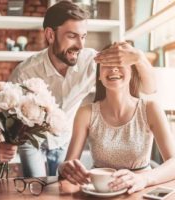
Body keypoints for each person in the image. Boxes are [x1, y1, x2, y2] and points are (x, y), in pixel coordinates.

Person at [0, 1, 156, 177]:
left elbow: (150, 89)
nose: (80, 46)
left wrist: (139, 58)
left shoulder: (91, 61)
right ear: (50, 35)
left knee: (62, 185)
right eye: (72, 36)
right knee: (36, 188)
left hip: (65, 139)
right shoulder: (25, 72)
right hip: (31, 141)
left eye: (83, 37)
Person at [58, 44, 175, 194]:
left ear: (132, 72)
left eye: (120, 63)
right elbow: (69, 164)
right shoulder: (85, 113)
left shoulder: (150, 108)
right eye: (107, 64)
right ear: (99, 75)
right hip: (100, 193)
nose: (114, 69)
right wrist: (64, 168)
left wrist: (144, 179)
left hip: (140, 192)